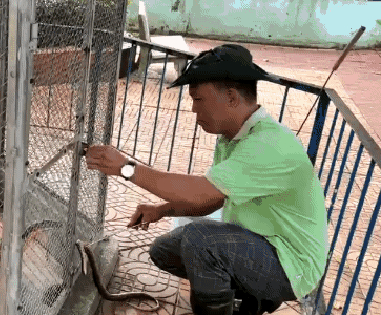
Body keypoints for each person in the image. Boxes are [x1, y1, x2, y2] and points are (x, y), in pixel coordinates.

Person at [85, 44, 327, 315]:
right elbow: (210, 200)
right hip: (260, 243)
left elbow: (199, 192)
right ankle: (252, 300)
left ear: (232, 98)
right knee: (163, 250)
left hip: (292, 264)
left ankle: (238, 302)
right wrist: (162, 210)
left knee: (201, 240)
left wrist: (126, 168)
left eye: (198, 99)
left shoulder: (268, 144)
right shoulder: (231, 138)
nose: (192, 109)